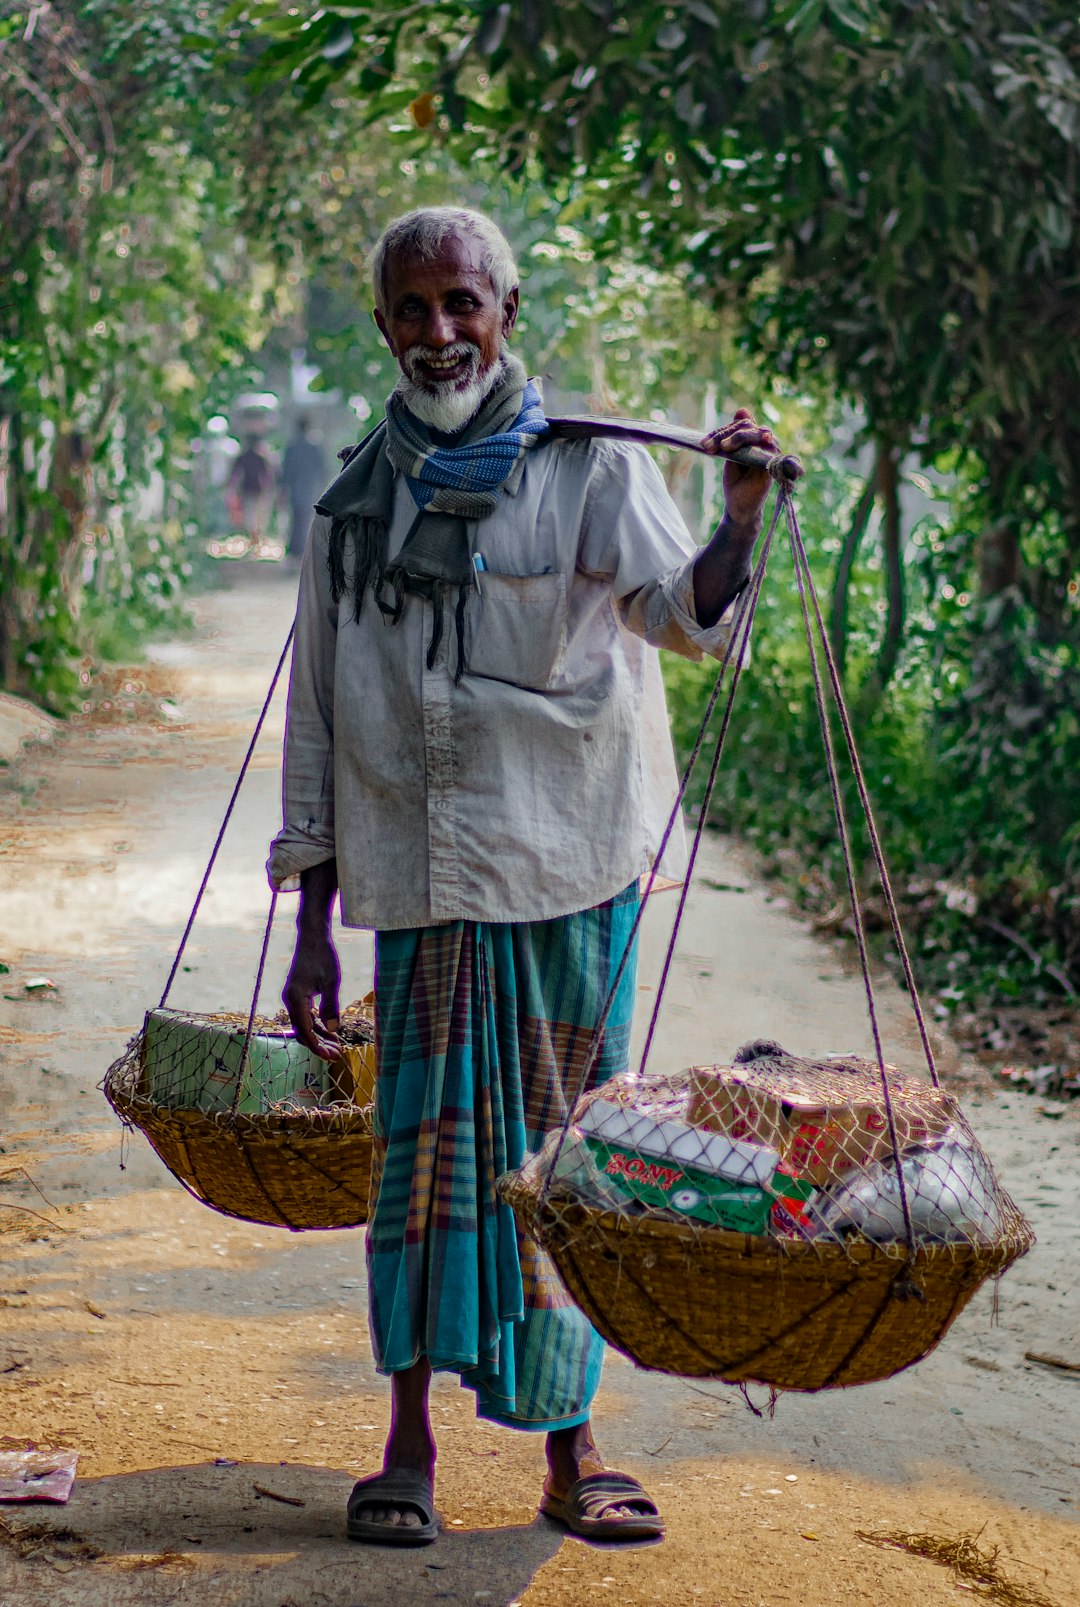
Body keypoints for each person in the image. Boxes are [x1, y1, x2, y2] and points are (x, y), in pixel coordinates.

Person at [267, 206, 780, 1547]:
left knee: (564, 1167)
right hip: (424, 878)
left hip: (570, 868)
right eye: (411, 308)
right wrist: (311, 924)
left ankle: (574, 1443)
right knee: (421, 1169)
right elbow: (318, 710)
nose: (438, 332)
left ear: (506, 313)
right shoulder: (352, 496)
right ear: (384, 325)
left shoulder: (592, 469)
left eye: (461, 305)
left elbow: (688, 617)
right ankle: (407, 1441)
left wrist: (734, 522)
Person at [280, 416, 328, 559]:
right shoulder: (314, 447)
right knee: (305, 519)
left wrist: (283, 488)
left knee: (295, 518)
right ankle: (301, 550)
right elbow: (322, 469)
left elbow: (285, 471)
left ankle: (295, 549)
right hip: (310, 488)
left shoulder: (292, 446)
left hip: (295, 489)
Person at [226, 434, 276, 544]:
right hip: (255, 489)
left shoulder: (244, 457)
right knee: (255, 514)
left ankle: (254, 536)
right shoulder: (259, 459)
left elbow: (234, 475)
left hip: (249, 489)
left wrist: (231, 486)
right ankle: (255, 536)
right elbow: (266, 477)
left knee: (251, 513)